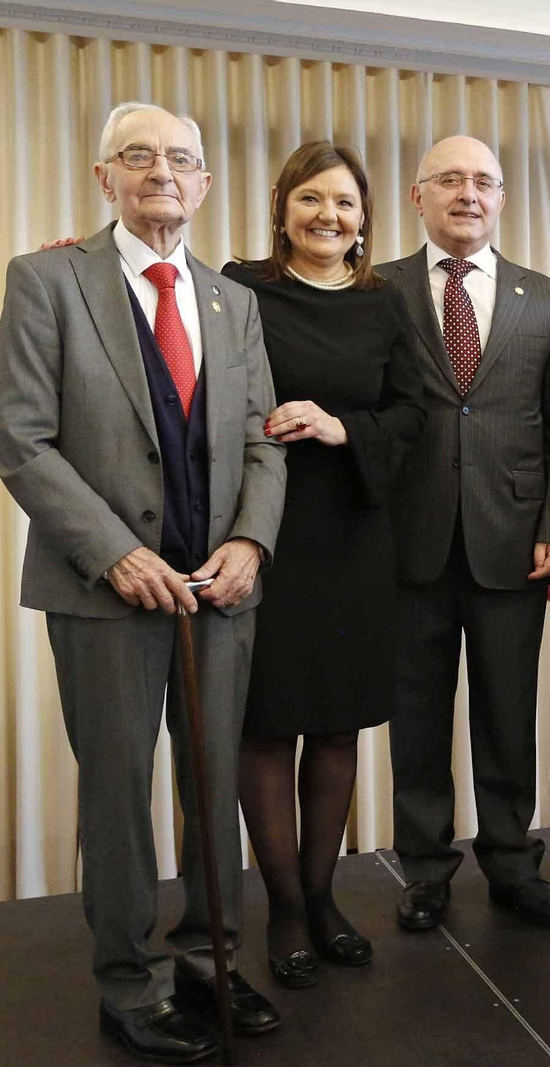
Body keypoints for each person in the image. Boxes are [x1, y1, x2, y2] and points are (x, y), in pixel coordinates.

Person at [0, 102, 287, 1062]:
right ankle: (129, 981)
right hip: (103, 594)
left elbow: (263, 440)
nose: (162, 170)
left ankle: (209, 957)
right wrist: (114, 550)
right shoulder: (47, 280)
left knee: (214, 784)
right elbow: (21, 439)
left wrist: (252, 542)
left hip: (220, 592)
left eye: (181, 159)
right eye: (140, 155)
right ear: (104, 177)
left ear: (204, 184)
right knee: (117, 793)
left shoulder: (234, 302)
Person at [220, 141, 424, 989]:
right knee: (267, 725)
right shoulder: (239, 287)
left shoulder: (384, 303)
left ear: (364, 216)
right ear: (281, 204)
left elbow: (413, 413)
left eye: (343, 202)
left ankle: (322, 893)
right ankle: (284, 908)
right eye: (310, 199)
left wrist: (344, 428)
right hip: (261, 531)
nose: (327, 216)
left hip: (352, 531)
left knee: (338, 724)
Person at [375, 136, 550, 930]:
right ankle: (425, 869)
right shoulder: (377, 288)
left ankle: (512, 861)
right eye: (451, 180)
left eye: (484, 181)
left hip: (513, 541)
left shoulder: (547, 299)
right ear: (417, 196)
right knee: (417, 720)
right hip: (409, 543)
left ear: (501, 199)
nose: (468, 193)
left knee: (507, 714)